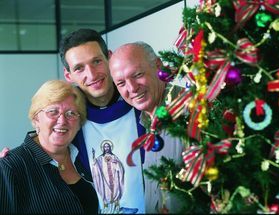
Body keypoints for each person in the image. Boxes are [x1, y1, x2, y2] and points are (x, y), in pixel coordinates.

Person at [59, 29, 145, 213]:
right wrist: (16, 159)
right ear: (68, 75)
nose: (91, 75)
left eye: (96, 61)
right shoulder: (68, 121)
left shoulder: (143, 100)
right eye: (79, 68)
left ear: (110, 58)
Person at [0, 80, 98, 214]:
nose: (62, 120)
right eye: (53, 111)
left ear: (79, 122)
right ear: (36, 119)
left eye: (71, 113)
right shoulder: (10, 167)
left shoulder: (85, 157)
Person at [109, 41, 185, 213]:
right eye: (121, 83)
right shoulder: (147, 121)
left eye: (137, 75)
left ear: (158, 66)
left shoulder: (192, 112)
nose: (132, 88)